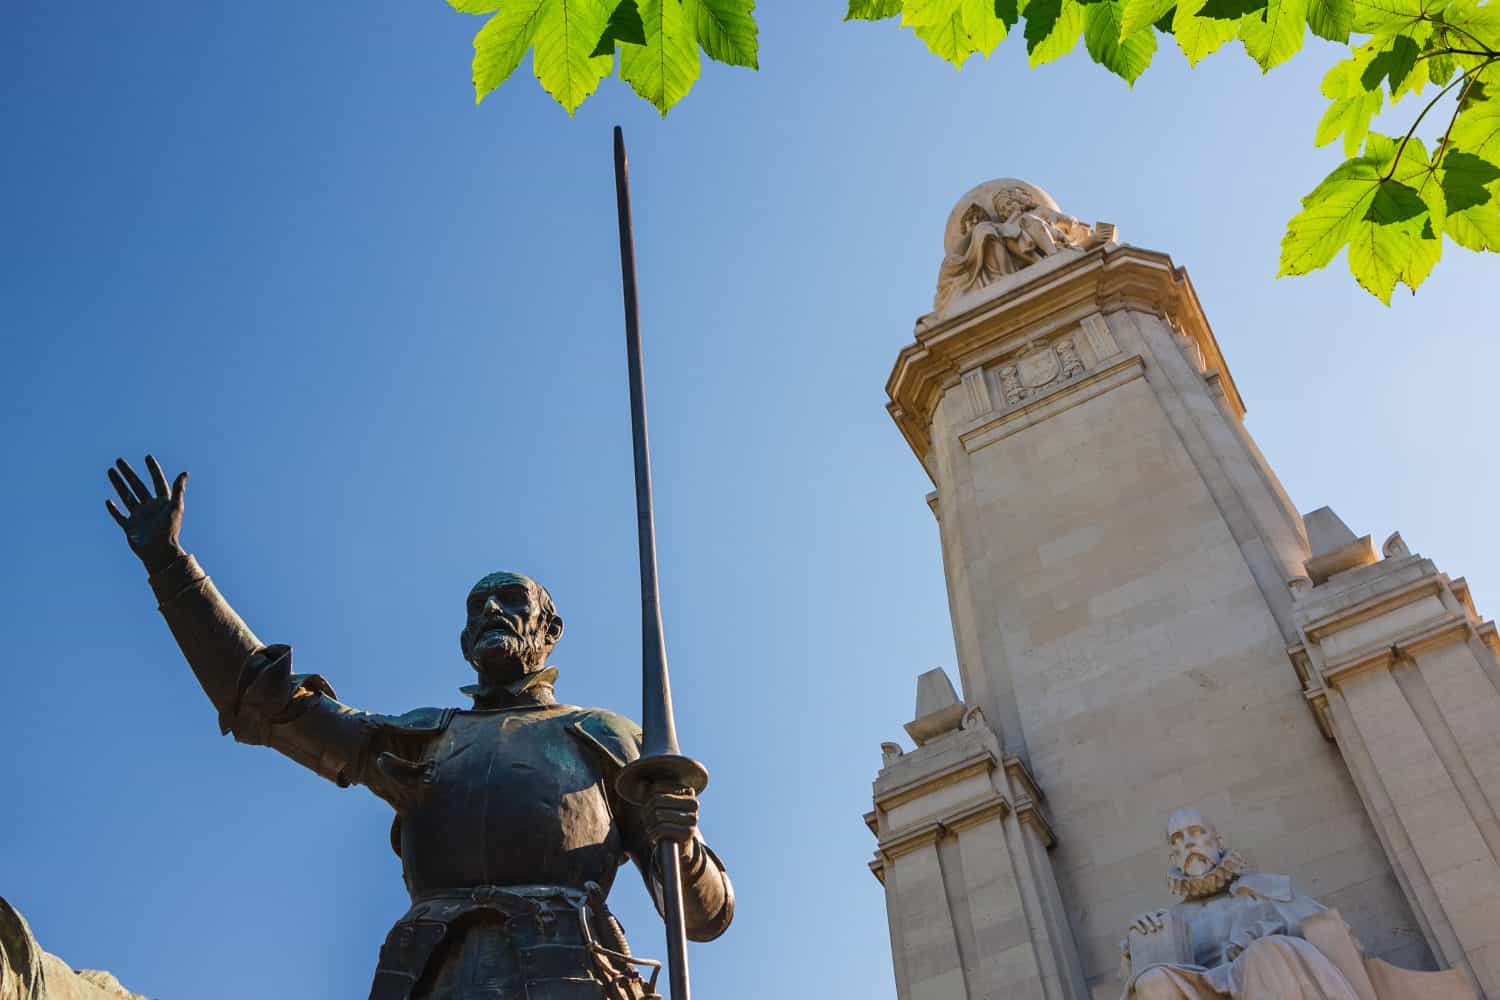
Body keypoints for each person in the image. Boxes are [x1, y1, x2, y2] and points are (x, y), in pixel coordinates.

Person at [104, 456, 733, 1000]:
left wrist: (684, 845)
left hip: (572, 972)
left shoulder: (602, 734)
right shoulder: (423, 737)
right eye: (477, 606)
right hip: (430, 976)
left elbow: (701, 917)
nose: (491, 609)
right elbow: (266, 704)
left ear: (550, 630)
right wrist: (170, 567)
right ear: (464, 640)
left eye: (512, 599)